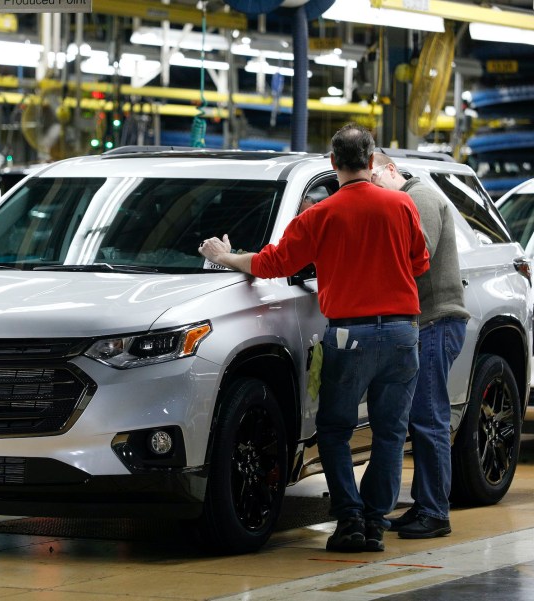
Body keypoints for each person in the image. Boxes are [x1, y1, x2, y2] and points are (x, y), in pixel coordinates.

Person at [199, 123, 429, 553]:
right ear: (371, 159)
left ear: (332, 163)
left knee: (334, 429)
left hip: (350, 335)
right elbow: (420, 263)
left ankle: (350, 522)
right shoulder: (402, 206)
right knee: (390, 433)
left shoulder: (319, 216)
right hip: (402, 333)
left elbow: (273, 264)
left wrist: (225, 256)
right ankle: (375, 523)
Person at [371, 152, 470, 539]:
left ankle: (435, 512)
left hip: (436, 321)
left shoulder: (420, 197)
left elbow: (418, 255)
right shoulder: (403, 200)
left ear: (392, 170)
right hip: (424, 323)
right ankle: (423, 505)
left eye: (375, 179)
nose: (373, 188)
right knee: (419, 419)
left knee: (429, 419)